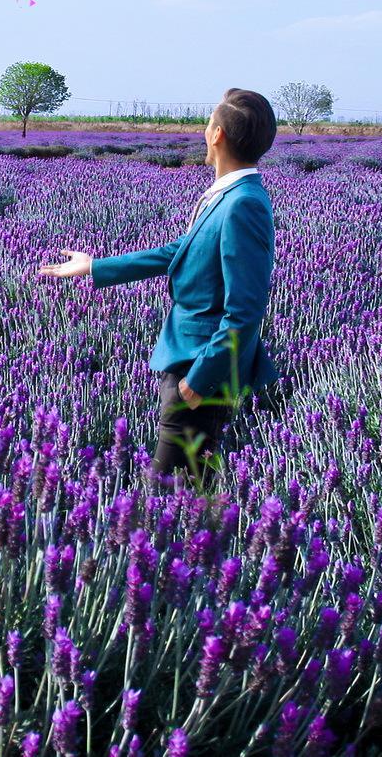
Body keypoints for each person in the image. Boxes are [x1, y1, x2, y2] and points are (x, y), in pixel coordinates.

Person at [39, 87, 280, 487]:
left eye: (208, 123)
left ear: (217, 134)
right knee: (181, 498)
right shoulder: (229, 195)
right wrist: (95, 267)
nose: (205, 131)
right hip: (186, 360)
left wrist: (196, 383)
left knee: (166, 501)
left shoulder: (243, 204)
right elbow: (180, 252)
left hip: (201, 370)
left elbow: (246, 310)